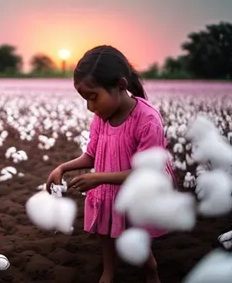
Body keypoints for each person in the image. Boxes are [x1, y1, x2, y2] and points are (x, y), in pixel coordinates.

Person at [46, 45, 176, 283]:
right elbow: (91, 156)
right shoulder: (101, 118)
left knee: (136, 231)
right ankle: (108, 271)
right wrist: (62, 168)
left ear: (121, 86)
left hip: (138, 191)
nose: (90, 107)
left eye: (93, 97)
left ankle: (151, 269)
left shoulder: (147, 120)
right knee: (104, 227)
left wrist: (98, 178)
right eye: (85, 99)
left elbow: (148, 171)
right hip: (108, 189)